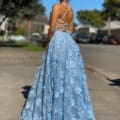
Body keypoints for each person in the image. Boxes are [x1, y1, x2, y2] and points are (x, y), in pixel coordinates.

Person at [19, 0, 96, 120]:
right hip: (69, 42)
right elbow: (71, 29)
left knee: (54, 73)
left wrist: (48, 42)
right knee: (67, 76)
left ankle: (54, 107)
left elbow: (51, 29)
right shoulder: (71, 10)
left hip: (58, 40)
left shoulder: (56, 7)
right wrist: (64, 35)